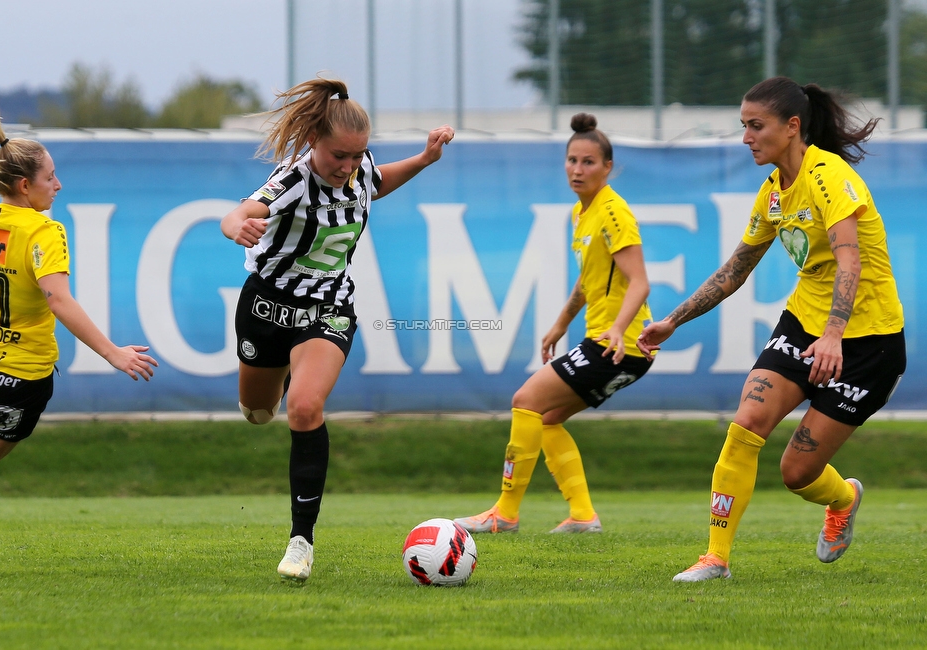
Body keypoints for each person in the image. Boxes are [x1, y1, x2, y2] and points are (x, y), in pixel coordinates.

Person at [637, 77, 905, 582]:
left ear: (792, 127)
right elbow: (735, 271)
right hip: (804, 325)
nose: (746, 137)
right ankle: (715, 559)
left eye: (755, 126)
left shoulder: (830, 176)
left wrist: (833, 335)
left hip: (869, 342)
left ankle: (844, 498)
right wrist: (672, 321)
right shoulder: (772, 194)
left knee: (796, 473)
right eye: (744, 126)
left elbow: (852, 260)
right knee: (749, 420)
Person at [220, 77, 453, 583]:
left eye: (356, 156)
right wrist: (235, 223)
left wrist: (424, 159)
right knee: (259, 413)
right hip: (267, 307)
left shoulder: (360, 167)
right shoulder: (294, 180)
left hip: (329, 306)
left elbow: (377, 181)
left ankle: (301, 542)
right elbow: (244, 208)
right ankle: (277, 379)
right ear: (313, 144)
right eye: (338, 157)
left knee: (304, 408)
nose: (348, 168)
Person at [0, 112, 157, 547]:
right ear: (25, 185)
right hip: (17, 375)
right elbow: (58, 298)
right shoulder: (46, 231)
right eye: (51, 176)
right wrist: (112, 352)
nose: (58, 185)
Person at [455, 113, 653, 535]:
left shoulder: (614, 212)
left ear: (607, 168)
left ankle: (504, 514)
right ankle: (583, 516)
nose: (578, 170)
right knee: (546, 420)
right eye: (572, 161)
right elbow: (589, 280)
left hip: (618, 344)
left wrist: (617, 328)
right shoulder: (582, 214)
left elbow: (639, 282)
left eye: (588, 162)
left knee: (526, 399)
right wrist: (561, 323)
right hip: (621, 347)